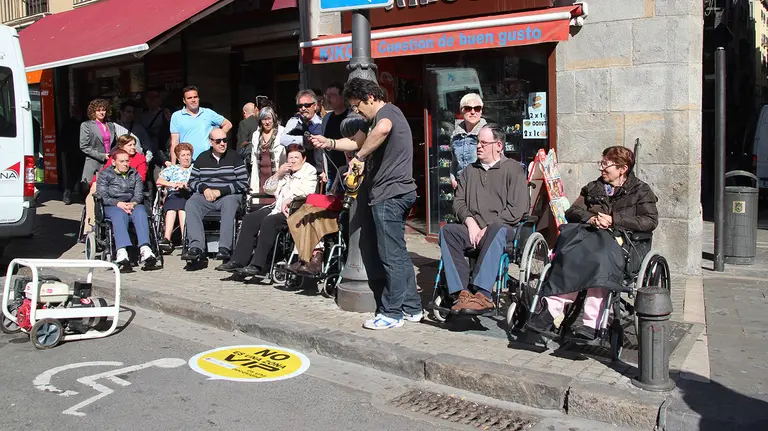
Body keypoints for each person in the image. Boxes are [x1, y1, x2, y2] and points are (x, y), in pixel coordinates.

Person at [312, 78, 419, 330]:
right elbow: (357, 141)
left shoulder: (387, 112)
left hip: (390, 193)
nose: (357, 111)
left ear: (370, 97)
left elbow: (381, 131)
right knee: (399, 253)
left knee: (390, 254)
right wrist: (329, 143)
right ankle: (412, 307)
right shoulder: (372, 119)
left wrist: (359, 158)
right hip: (397, 192)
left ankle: (392, 313)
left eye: (358, 106)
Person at [525, 146, 659, 341]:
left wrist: (614, 220)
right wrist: (592, 218)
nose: (601, 168)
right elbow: (572, 212)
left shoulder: (640, 191)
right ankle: (551, 311)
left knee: (599, 260)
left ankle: (591, 323)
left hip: (623, 243)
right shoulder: (593, 187)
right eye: (601, 163)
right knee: (569, 253)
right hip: (589, 238)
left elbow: (650, 221)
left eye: (606, 164)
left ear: (622, 168)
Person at [439, 125, 528, 314]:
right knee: (448, 232)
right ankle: (462, 292)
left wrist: (487, 227)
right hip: (473, 229)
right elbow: (459, 203)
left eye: (483, 143)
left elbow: (516, 210)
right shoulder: (470, 171)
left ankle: (482, 294)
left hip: (502, 229)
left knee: (497, 230)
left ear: (498, 145)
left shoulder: (513, 170)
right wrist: (470, 222)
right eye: (478, 142)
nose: (478, 146)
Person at [216, 144, 317, 276]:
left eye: (296, 157)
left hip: (294, 211)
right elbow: (269, 189)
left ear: (303, 159)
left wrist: (290, 199)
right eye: (290, 157)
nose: (292, 160)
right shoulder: (285, 172)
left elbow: (308, 191)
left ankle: (257, 264)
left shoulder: (309, 171)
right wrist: (278, 175)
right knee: (250, 218)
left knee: (269, 221)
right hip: (276, 207)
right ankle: (238, 261)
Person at [181, 128, 248, 262]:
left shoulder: (235, 157)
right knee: (191, 203)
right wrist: (205, 189)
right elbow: (192, 181)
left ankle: (224, 248)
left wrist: (220, 191)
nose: (222, 143)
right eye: (218, 141)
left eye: (225, 140)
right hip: (206, 196)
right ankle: (196, 247)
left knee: (230, 203)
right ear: (211, 142)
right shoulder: (202, 158)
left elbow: (243, 183)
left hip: (228, 196)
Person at [95, 149, 156, 268]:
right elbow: (102, 195)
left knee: (141, 212)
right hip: (112, 205)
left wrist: (133, 203)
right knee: (119, 215)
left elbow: (139, 193)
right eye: (121, 161)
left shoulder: (134, 174)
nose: (125, 164)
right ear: (113, 162)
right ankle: (121, 252)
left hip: (131, 204)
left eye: (127, 161)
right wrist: (118, 203)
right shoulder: (105, 174)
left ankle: (145, 249)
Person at [83, 135, 147, 235]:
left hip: (128, 188)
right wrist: (95, 182)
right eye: (129, 145)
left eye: (134, 144)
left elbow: (141, 177)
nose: (133, 147)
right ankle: (91, 226)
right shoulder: (116, 156)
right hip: (111, 186)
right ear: (121, 147)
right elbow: (104, 172)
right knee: (93, 194)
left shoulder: (140, 158)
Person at [79, 99, 138, 188]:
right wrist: (102, 156)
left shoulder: (110, 125)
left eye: (103, 110)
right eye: (98, 110)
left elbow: (115, 143)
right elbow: (84, 146)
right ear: (93, 112)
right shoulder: (86, 125)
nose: (101, 112)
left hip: (110, 162)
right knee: (93, 191)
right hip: (94, 162)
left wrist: (112, 154)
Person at [170, 86, 233, 163]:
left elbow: (228, 124)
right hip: (187, 162)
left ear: (198, 98)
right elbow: (174, 142)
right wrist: (173, 165)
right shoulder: (176, 116)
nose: (193, 100)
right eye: (189, 98)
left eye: (195, 97)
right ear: (184, 100)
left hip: (208, 159)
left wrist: (216, 139)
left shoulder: (208, 113)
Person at [156, 142, 194, 252]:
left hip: (188, 194)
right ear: (178, 158)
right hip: (174, 194)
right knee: (172, 208)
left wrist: (185, 185)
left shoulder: (194, 168)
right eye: (183, 155)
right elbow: (159, 181)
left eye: (188, 155)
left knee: (182, 208)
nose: (186, 158)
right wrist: (173, 184)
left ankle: (184, 238)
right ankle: (167, 238)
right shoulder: (172, 169)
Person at [248, 106, 286, 205]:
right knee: (260, 202)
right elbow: (254, 157)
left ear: (274, 118)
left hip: (276, 174)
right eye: (264, 119)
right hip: (261, 175)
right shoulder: (256, 135)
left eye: (269, 119)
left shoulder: (282, 132)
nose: (267, 122)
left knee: (275, 202)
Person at [450, 93, 487, 189]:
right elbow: (454, 162)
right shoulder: (455, 136)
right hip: (461, 188)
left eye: (477, 108)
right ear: (461, 111)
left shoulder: (489, 134)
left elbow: (497, 164)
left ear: (481, 111)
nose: (473, 112)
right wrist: (453, 178)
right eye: (468, 108)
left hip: (481, 188)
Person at [281, 90, 323, 172]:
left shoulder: (322, 123)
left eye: (307, 105)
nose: (303, 108)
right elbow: (282, 139)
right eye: (300, 106)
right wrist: (302, 140)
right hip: (297, 171)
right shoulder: (293, 122)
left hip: (317, 171)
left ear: (315, 106)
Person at [320, 82, 350, 192]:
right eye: (326, 95)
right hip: (331, 171)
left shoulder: (350, 117)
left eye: (332, 95)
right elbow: (324, 148)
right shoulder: (326, 118)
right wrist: (324, 170)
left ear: (342, 97)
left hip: (347, 169)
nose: (328, 99)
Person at [60, 106, 85, 205]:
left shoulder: (84, 123)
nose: (78, 114)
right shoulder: (68, 124)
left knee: (84, 176)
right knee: (72, 175)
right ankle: (67, 194)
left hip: (83, 153)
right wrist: (65, 150)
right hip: (72, 153)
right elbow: (63, 138)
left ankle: (83, 196)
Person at [236, 102, 260, 170]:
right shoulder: (261, 122)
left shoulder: (244, 123)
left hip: (249, 158)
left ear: (244, 112)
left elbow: (241, 143)